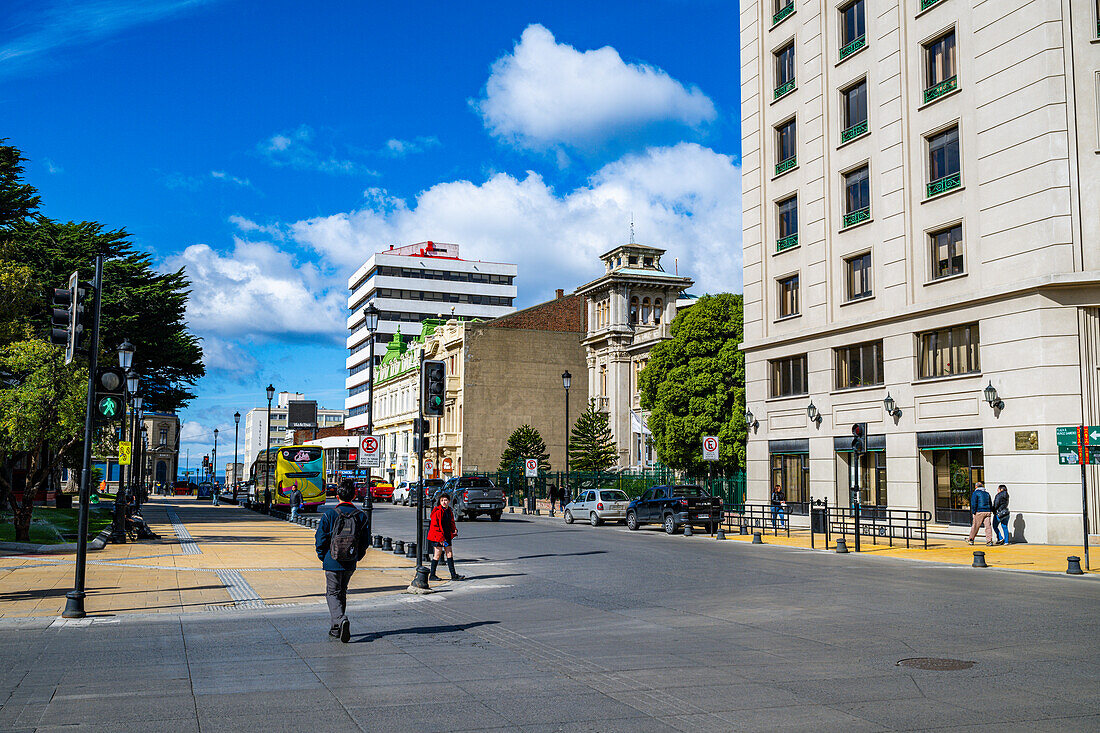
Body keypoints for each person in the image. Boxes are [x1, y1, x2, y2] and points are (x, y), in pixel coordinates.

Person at [315, 480, 370, 643]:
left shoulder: (329, 515)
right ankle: (336, 628)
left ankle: (340, 619)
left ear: (337, 496)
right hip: (350, 560)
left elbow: (320, 539)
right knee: (342, 592)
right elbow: (365, 541)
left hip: (332, 560)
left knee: (332, 593)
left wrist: (323, 556)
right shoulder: (360, 515)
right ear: (353, 495)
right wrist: (357, 556)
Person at [427, 493, 465, 581]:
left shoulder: (449, 510)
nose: (444, 502)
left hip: (446, 535)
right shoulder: (437, 511)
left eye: (445, 500)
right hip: (438, 536)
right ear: (439, 502)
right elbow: (435, 526)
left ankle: (453, 575)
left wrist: (454, 529)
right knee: (437, 554)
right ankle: (432, 575)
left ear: (449, 501)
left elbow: (451, 522)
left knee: (449, 553)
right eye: (442, 500)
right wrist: (440, 539)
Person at [968, 481, 994, 546]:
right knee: (988, 527)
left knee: (975, 526)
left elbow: (974, 503)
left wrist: (973, 512)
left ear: (976, 487)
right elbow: (990, 503)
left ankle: (971, 539)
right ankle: (989, 541)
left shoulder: (975, 493)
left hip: (979, 511)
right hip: (987, 512)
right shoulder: (987, 493)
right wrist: (990, 510)